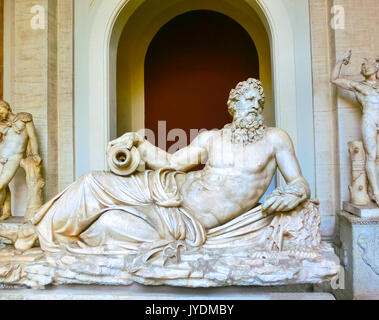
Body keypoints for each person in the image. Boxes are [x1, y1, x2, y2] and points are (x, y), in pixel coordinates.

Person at [2, 79, 310, 253]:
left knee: (107, 225)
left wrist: (293, 193)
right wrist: (137, 141)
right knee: (92, 181)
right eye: (248, 100)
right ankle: (32, 231)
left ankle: (41, 237)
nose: (255, 106)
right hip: (169, 188)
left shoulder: (275, 139)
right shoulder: (213, 138)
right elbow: (172, 162)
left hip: (185, 219)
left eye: (260, 100)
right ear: (233, 106)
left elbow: (299, 183)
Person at [331, 49, 379, 205]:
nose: (364, 67)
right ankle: (376, 193)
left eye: (367, 65)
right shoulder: (359, 86)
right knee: (371, 156)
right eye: (362, 66)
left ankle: (373, 190)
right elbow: (334, 79)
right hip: (369, 120)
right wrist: (340, 61)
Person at [0, 100, 41, 220]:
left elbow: (33, 138)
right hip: (1, 155)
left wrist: (35, 153)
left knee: (1, 183)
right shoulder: (2, 124)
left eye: (0, 111)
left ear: (6, 107)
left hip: (14, 157)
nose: (0, 115)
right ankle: (6, 212)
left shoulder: (24, 118)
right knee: (4, 184)